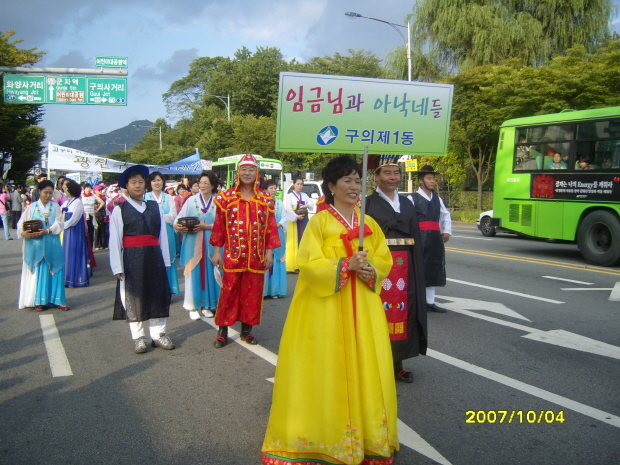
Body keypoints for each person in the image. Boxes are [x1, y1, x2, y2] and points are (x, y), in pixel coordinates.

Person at [261, 155, 398, 465]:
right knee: (325, 367)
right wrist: (344, 265)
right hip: (325, 308)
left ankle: (365, 438)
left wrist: (370, 270)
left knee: (364, 364)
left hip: (362, 306)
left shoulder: (369, 223)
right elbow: (309, 263)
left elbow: (383, 258)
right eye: (347, 180)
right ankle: (320, 438)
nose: (354, 187)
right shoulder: (320, 221)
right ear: (332, 186)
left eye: (357, 181)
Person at [366, 155, 427, 384]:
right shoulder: (367, 204)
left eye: (396, 173)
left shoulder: (408, 203)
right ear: (377, 176)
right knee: (378, 312)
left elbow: (416, 238)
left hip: (406, 267)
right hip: (380, 267)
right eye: (388, 173)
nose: (393, 178)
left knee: (403, 312)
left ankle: (397, 363)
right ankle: (375, 362)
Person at [209, 154, 280, 348]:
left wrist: (269, 252)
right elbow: (219, 226)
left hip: (256, 256)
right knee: (228, 292)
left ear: (257, 173)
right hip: (233, 255)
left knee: (253, 293)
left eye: (251, 170)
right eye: (244, 169)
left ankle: (246, 331)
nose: (247, 173)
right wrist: (217, 251)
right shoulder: (226, 198)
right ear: (238, 172)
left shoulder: (265, 199)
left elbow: (271, 227)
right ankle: (222, 331)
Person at [109, 165, 173, 354]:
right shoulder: (119, 210)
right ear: (126, 186)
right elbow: (114, 240)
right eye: (133, 182)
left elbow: (162, 235)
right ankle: (138, 336)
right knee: (133, 296)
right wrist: (117, 266)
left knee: (157, 293)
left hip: (154, 256)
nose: (137, 186)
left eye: (140, 182)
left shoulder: (155, 207)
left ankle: (158, 333)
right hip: (131, 258)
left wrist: (166, 261)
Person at [17, 180, 70, 311]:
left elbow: (59, 223)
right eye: (45, 192)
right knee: (38, 269)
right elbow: (20, 224)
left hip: (52, 243)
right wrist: (25, 234)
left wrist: (47, 230)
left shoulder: (55, 207)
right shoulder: (31, 207)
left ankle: (58, 300)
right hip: (35, 244)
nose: (48, 195)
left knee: (55, 268)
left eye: (50, 193)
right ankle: (38, 301)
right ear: (39, 192)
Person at [175, 171, 220, 319]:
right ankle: (192, 306)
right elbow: (178, 219)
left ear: (213, 185)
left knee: (209, 273)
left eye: (206, 183)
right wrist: (177, 226)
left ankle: (207, 305)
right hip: (192, 242)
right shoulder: (191, 201)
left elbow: (223, 224)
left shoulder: (217, 202)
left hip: (211, 243)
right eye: (201, 183)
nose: (202, 186)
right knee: (193, 273)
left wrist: (207, 227)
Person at [409, 164, 452, 313]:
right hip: (418, 237)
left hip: (434, 237)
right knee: (417, 267)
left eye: (433, 179)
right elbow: (408, 218)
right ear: (421, 180)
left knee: (433, 267)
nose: (432, 181)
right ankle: (416, 300)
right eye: (429, 178)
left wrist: (446, 231)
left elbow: (445, 215)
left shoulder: (437, 199)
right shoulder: (412, 198)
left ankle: (429, 301)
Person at [145, 171, 180, 295]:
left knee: (168, 259)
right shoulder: (145, 197)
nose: (156, 183)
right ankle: (154, 292)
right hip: (151, 234)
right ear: (150, 183)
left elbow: (173, 216)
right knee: (153, 261)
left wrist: (157, 217)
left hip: (168, 233)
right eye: (154, 180)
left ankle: (168, 290)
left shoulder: (169, 197)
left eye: (159, 180)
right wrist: (162, 217)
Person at [61, 180, 91, 287]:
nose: (64, 189)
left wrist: (62, 225)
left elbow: (74, 219)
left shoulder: (78, 202)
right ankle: (67, 278)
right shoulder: (66, 202)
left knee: (75, 253)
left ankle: (76, 278)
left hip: (74, 232)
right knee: (66, 254)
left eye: (65, 187)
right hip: (66, 232)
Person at [261, 179, 287, 299]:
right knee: (266, 258)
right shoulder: (262, 203)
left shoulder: (280, 203)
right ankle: (265, 291)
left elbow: (285, 216)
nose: (274, 190)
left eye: (275, 188)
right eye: (271, 188)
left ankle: (276, 290)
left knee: (277, 259)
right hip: (266, 234)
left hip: (278, 233)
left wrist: (280, 224)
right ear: (265, 190)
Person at [284, 176, 315, 272]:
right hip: (295, 221)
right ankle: (294, 264)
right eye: (298, 184)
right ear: (293, 184)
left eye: (301, 184)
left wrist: (305, 205)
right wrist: (296, 216)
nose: (300, 186)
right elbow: (288, 208)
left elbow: (311, 203)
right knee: (294, 241)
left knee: (304, 240)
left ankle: (303, 263)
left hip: (304, 220)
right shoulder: (289, 196)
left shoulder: (304, 195)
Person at [81, 182, 104, 250]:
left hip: (91, 215)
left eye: (89, 188)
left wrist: (97, 210)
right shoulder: (81, 196)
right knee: (83, 232)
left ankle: (90, 249)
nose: (88, 189)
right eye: (86, 188)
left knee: (91, 232)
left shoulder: (93, 196)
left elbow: (102, 202)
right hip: (83, 216)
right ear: (84, 189)